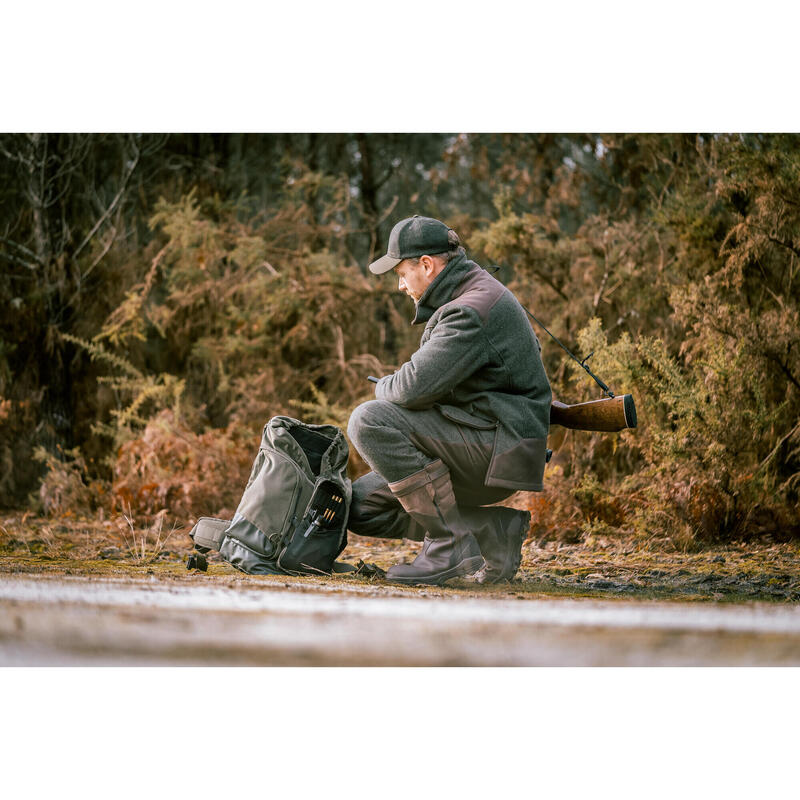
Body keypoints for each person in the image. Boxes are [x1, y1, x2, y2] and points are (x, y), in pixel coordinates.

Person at [347, 215, 552, 585]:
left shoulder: (469, 310)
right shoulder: (466, 295)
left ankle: (449, 544)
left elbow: (410, 388)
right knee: (359, 505)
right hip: (485, 437)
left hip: (499, 450)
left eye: (402, 273)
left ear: (426, 265)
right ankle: (493, 532)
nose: (400, 285)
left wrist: (383, 386)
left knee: (369, 420)